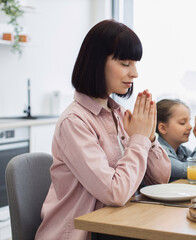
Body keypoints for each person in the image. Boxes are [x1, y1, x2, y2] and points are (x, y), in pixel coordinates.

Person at [35, 20, 171, 240]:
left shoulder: (118, 114)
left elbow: (160, 179)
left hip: (115, 229)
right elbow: (115, 193)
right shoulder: (74, 122)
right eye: (125, 63)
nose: (135, 73)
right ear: (97, 63)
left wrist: (149, 135)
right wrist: (137, 138)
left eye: (135, 63)